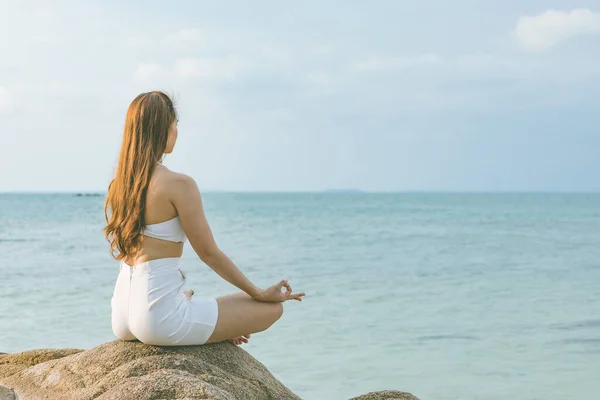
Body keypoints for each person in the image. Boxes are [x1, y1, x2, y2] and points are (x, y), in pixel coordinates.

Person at [104, 91, 305, 346]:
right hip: (159, 321)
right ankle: (194, 320)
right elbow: (209, 253)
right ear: (162, 129)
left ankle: (186, 308)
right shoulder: (179, 184)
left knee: (187, 301)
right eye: (175, 125)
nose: (177, 132)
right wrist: (259, 292)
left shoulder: (118, 186)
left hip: (122, 315)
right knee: (272, 310)